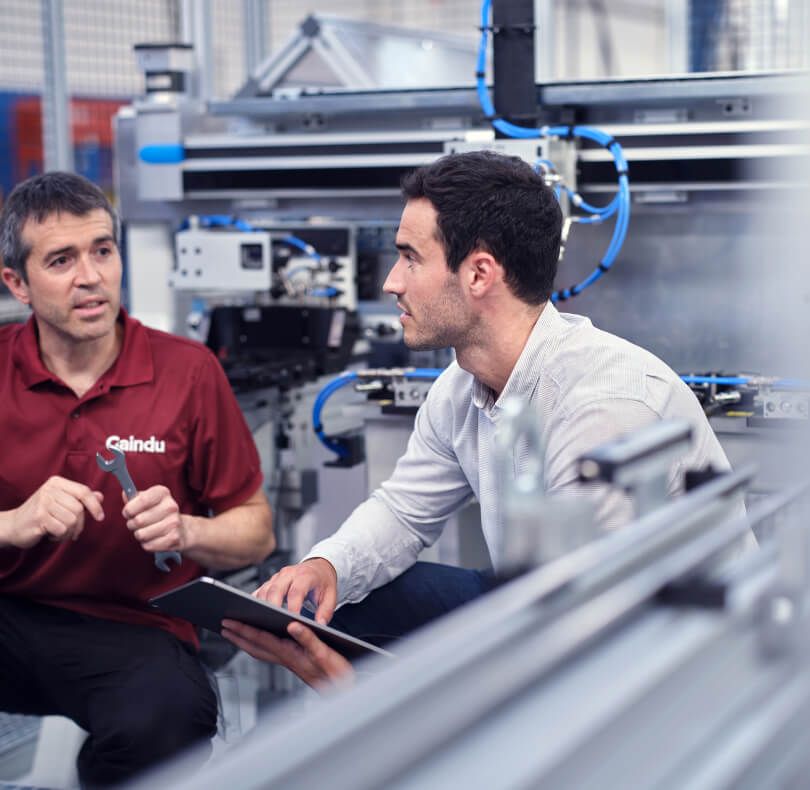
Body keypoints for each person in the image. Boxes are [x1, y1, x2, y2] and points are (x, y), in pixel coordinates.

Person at [222, 149, 737, 689]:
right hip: (544, 599)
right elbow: (403, 511)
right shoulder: (462, 384)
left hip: (655, 660)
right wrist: (323, 568)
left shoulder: (604, 409)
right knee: (337, 607)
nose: (391, 282)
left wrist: (362, 695)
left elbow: (576, 645)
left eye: (411, 258)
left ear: (479, 274)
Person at [0, 171, 275, 787]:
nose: (90, 276)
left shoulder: (188, 373)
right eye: (61, 260)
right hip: (9, 615)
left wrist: (187, 530)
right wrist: (11, 524)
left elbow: (256, 532)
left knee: (170, 719)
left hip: (133, 627)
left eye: (102, 250)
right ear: (16, 282)